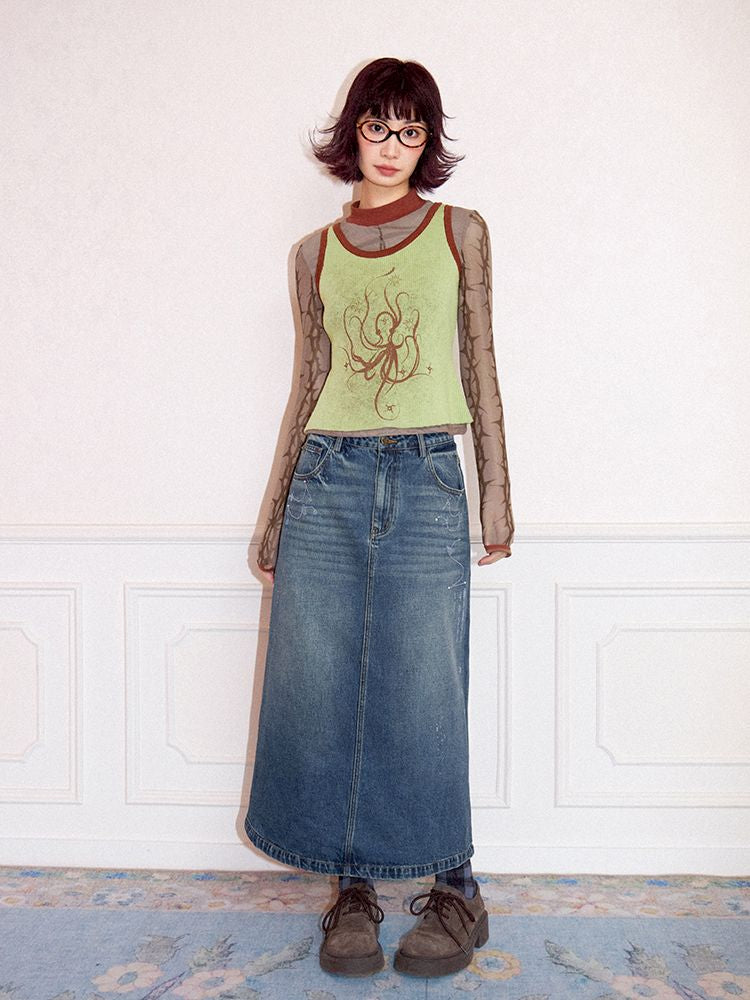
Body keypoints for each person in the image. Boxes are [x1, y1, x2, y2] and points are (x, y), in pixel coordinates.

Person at [245, 57, 514, 979]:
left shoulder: (461, 232)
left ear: (426, 142)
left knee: (426, 684)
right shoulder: (312, 255)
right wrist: (273, 520)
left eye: (410, 131)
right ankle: (352, 889)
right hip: (327, 477)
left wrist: (497, 496)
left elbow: (479, 364)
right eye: (377, 128)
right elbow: (308, 385)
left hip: (429, 475)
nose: (392, 147)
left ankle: (457, 890)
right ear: (352, 133)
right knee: (322, 684)